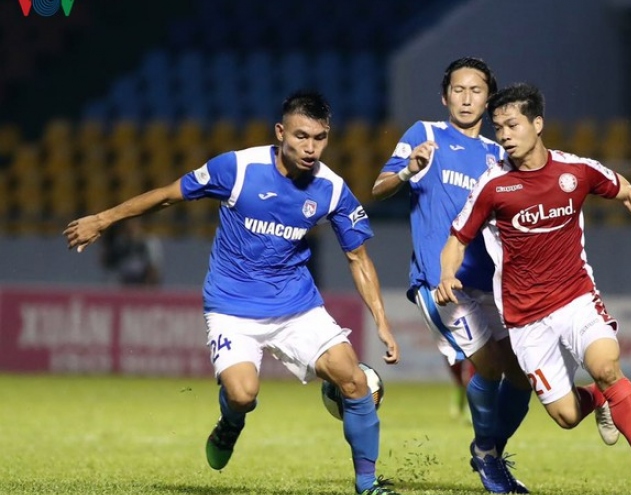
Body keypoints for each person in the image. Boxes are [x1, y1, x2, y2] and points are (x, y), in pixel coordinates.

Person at [64, 91, 403, 495]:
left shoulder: (331, 189)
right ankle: (230, 423)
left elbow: (358, 258)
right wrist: (103, 219)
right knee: (243, 395)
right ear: (280, 132)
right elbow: (169, 195)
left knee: (354, 380)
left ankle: (368, 483)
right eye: (301, 136)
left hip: (296, 307)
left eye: (320, 138)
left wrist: (381, 321)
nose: (311, 148)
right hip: (232, 307)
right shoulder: (238, 169)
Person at [372, 58, 618, 494]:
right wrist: (409, 169)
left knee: (522, 375)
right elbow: (378, 188)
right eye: (458, 90)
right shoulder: (424, 135)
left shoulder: (500, 153)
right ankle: (488, 457)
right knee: (486, 365)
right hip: (441, 283)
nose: (466, 99)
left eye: (476, 91)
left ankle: (489, 451)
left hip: (496, 286)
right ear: (444, 96)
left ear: (488, 101)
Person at [437, 83, 631, 495]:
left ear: (537, 124)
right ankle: (599, 399)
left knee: (607, 367)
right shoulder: (493, 185)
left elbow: (628, 192)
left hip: (576, 299)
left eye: (512, 125)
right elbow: (457, 238)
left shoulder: (575, 171)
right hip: (525, 319)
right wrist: (447, 274)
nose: (504, 135)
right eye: (498, 128)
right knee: (566, 416)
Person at [100, 217, 163, 286]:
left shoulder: (149, 242)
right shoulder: (120, 242)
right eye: (127, 225)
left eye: (133, 224)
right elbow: (108, 264)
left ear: (139, 225)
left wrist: (149, 283)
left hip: (142, 281)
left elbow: (154, 266)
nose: (130, 227)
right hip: (123, 281)